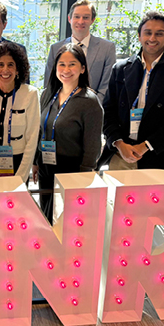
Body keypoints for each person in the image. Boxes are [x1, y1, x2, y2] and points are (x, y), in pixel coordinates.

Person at [102, 11, 164, 178]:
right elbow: (108, 111)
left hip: (160, 156)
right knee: (119, 203)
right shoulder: (120, 69)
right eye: (148, 32)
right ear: (139, 36)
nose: (152, 38)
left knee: (156, 204)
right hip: (122, 154)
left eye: (159, 34)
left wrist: (145, 146)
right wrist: (119, 143)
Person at [34, 43, 103, 223]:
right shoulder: (48, 94)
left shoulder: (89, 101)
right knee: (47, 217)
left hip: (72, 169)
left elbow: (93, 146)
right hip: (46, 166)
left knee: (67, 221)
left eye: (72, 64)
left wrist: (84, 176)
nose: (66, 69)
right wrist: (36, 162)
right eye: (61, 64)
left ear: (82, 68)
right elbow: (40, 131)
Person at [0, 42, 40, 190]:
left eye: (11, 65)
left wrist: (21, 177)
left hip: (18, 162)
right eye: (1, 65)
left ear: (18, 70)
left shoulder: (30, 94)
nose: (5, 69)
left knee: (14, 210)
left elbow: (32, 139)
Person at [44, 0, 115, 104]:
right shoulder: (56, 48)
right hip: (62, 112)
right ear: (69, 19)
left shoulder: (107, 48)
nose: (81, 21)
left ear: (92, 20)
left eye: (86, 17)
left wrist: (90, 107)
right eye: (77, 16)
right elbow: (49, 86)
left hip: (93, 110)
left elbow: (106, 87)